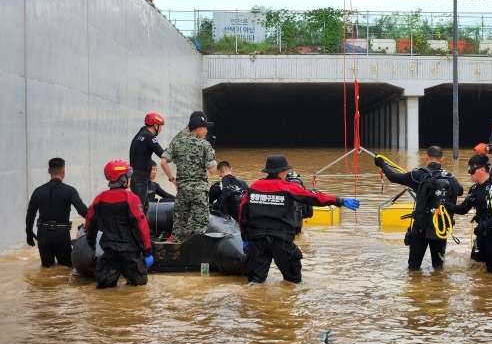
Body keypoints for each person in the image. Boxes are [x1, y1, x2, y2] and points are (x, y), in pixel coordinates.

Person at [239, 155, 360, 284]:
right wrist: (339, 201)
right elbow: (314, 197)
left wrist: (245, 239)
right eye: (285, 171)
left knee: (255, 282)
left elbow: (242, 213)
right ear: (280, 172)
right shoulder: (287, 187)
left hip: (258, 241)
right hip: (282, 240)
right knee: (293, 282)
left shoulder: (253, 187)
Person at [374, 146, 463, 271]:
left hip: (420, 227)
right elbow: (460, 191)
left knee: (414, 268)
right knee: (438, 269)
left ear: (426, 157)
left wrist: (381, 163)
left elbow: (393, 177)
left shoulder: (417, 175)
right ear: (442, 159)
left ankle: (415, 287)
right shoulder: (450, 178)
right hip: (440, 229)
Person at [85, 160, 153, 289]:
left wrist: (90, 240)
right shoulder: (131, 199)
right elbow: (141, 226)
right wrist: (147, 251)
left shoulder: (99, 199)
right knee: (135, 289)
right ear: (123, 178)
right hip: (130, 253)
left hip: (109, 251)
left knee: (106, 289)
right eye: (128, 176)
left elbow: (90, 223)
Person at [444, 154, 492, 273]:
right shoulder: (474, 189)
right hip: (481, 234)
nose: (469, 173)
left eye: (471, 170)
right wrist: (447, 206)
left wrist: (484, 225)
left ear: (482, 169)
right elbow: (463, 209)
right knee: (474, 267)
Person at [160, 114, 216, 243]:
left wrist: (171, 179)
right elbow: (212, 170)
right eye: (204, 128)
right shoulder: (205, 145)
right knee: (200, 225)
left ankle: (176, 253)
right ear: (198, 130)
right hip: (199, 191)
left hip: (182, 190)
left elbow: (163, 162)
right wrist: (212, 155)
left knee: (179, 224)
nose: (206, 131)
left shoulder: (177, 143)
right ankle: (195, 253)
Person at [25, 158, 88, 267]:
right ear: (63, 171)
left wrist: (29, 233)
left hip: (43, 234)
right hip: (61, 234)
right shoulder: (70, 191)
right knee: (66, 269)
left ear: (49, 171)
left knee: (47, 269)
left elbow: (30, 215)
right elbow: (83, 211)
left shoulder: (38, 191)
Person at [129, 112, 166, 213]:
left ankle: (143, 228)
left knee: (143, 207)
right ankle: (137, 229)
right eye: (160, 126)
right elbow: (163, 154)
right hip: (140, 180)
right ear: (155, 125)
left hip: (137, 178)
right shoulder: (149, 137)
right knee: (139, 210)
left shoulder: (140, 134)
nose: (161, 129)